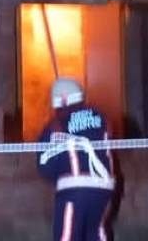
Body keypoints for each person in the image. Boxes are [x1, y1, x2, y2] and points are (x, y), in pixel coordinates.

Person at [36, 78, 117, 241]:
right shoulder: (101, 118)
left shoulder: (54, 126)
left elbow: (45, 167)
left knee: (68, 235)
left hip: (73, 190)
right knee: (97, 231)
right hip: (105, 189)